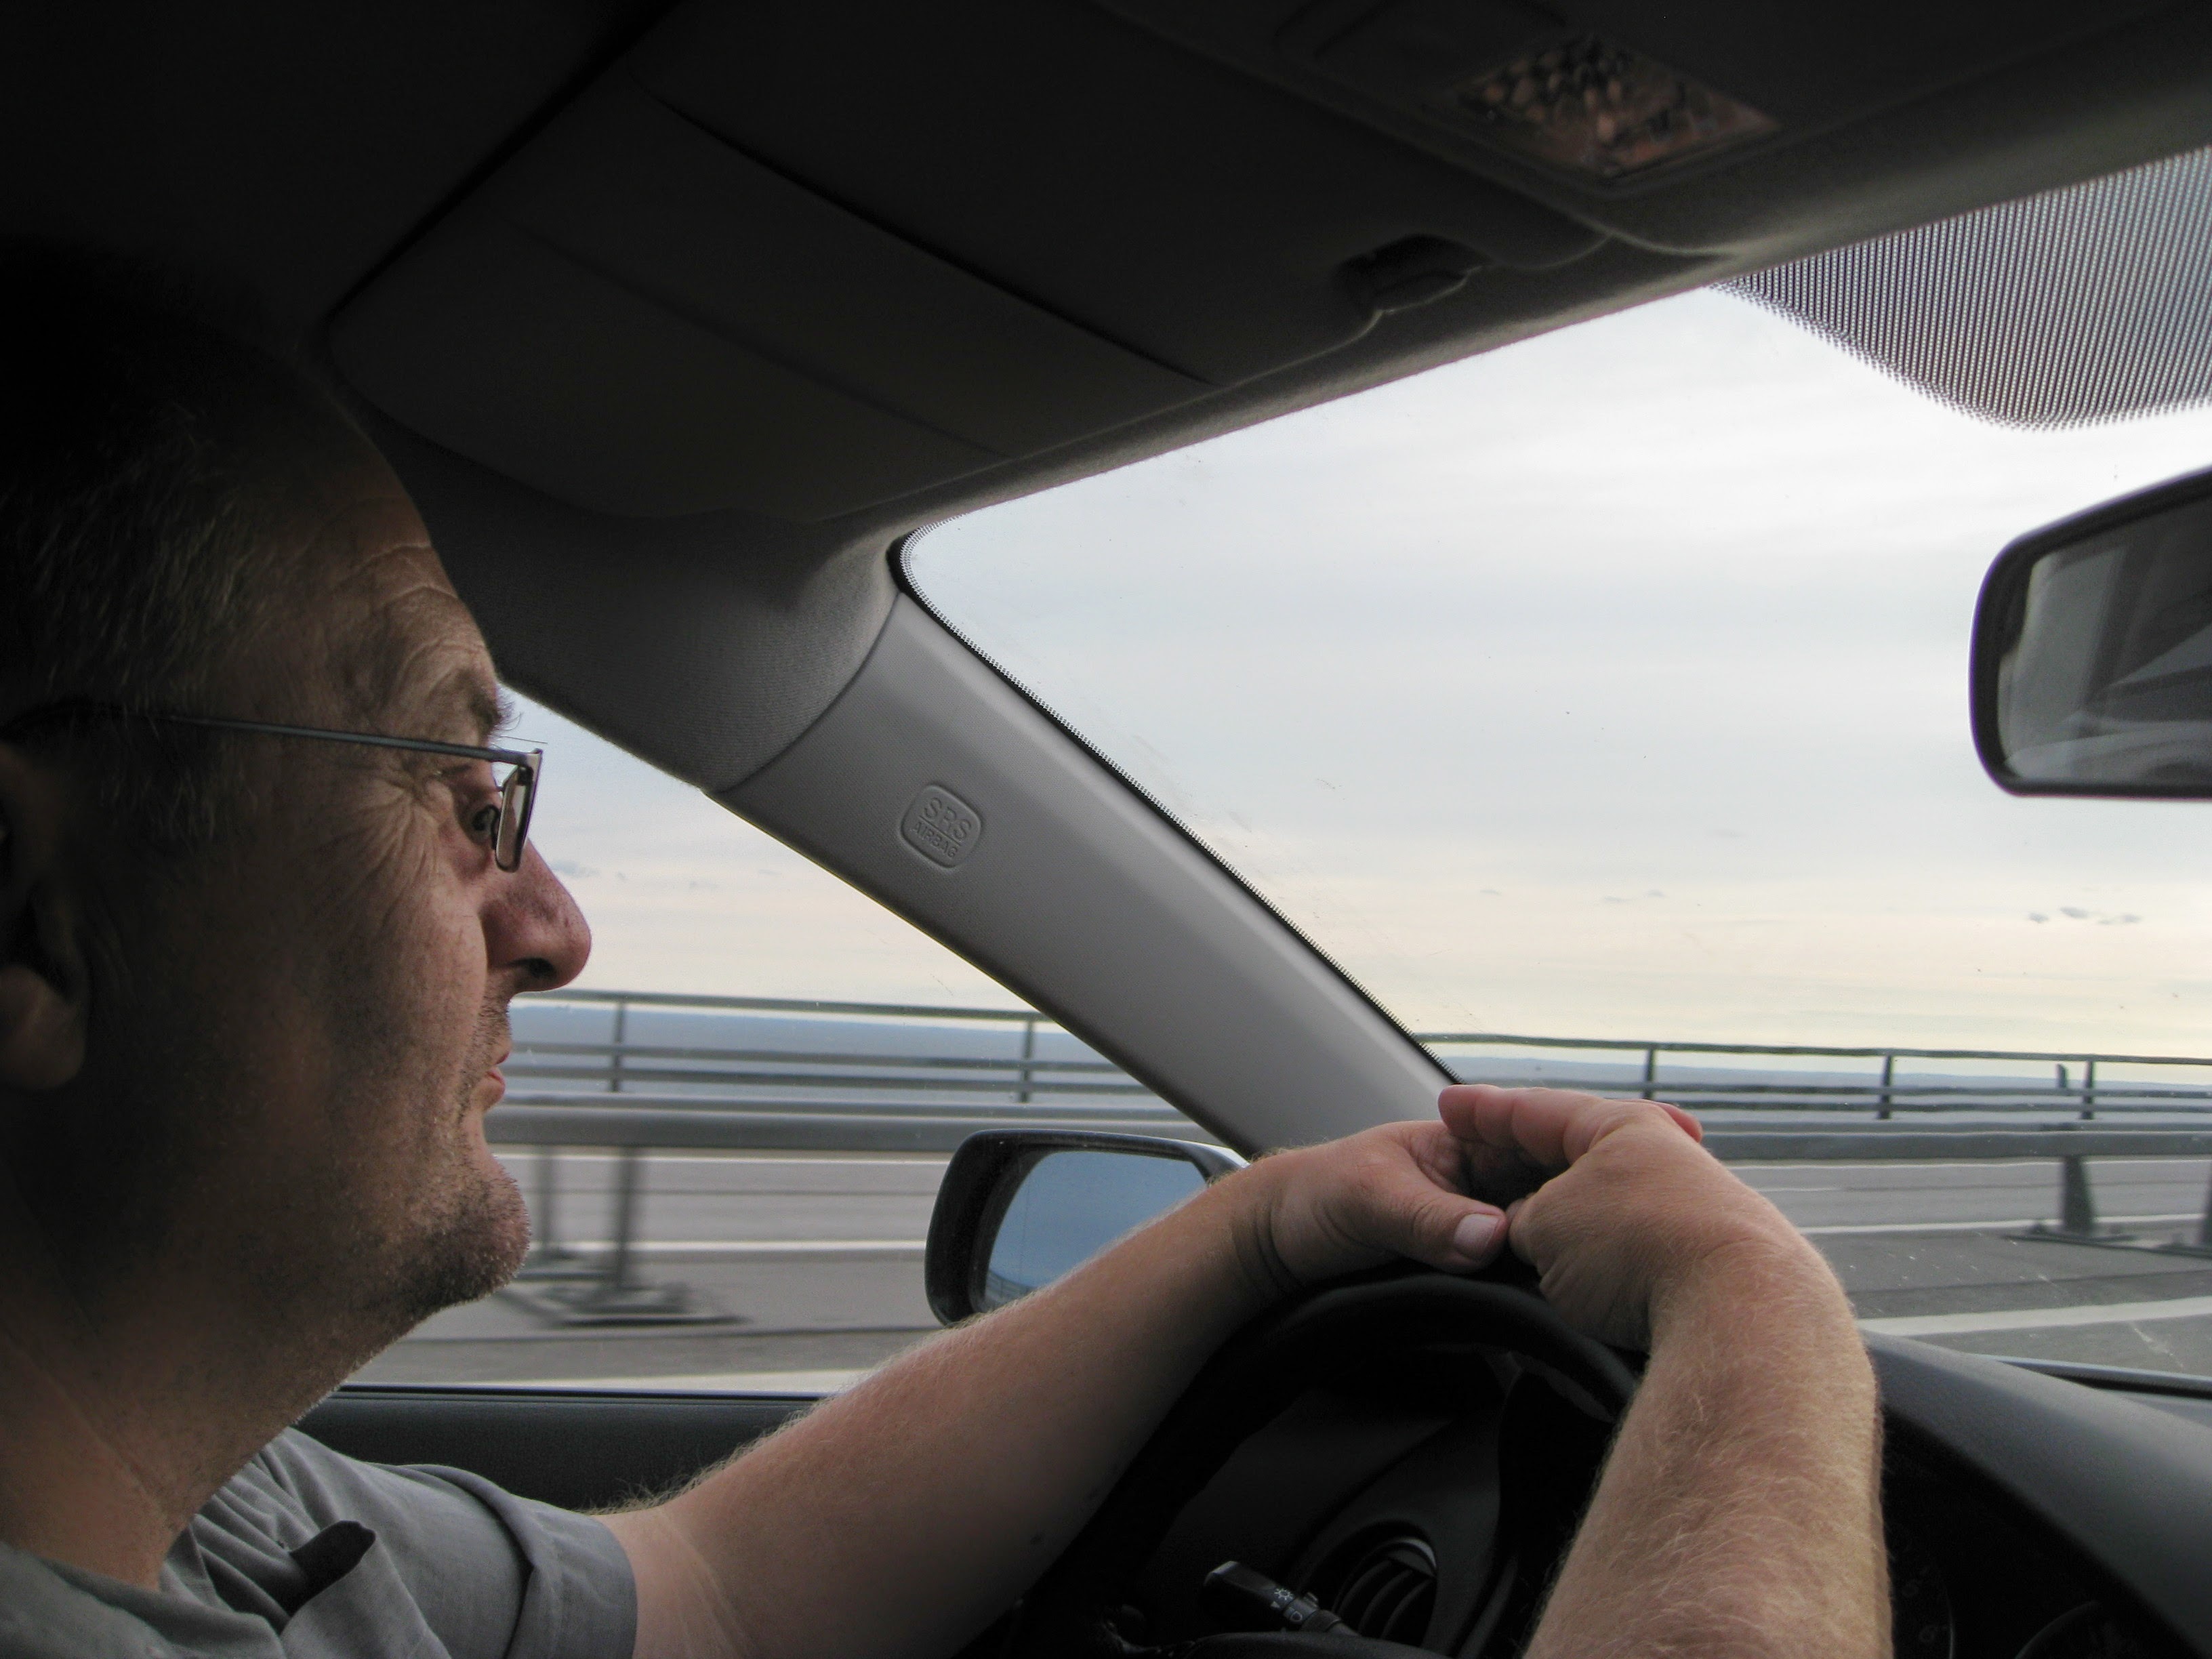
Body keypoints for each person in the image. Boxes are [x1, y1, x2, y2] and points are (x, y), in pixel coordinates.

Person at [0, 246, 1887, 1659]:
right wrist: (1755, 1309)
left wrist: (1260, 1223)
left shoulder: (221, 1523)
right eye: (450, 786)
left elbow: (721, 1593)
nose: (558, 928)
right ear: (29, 919)